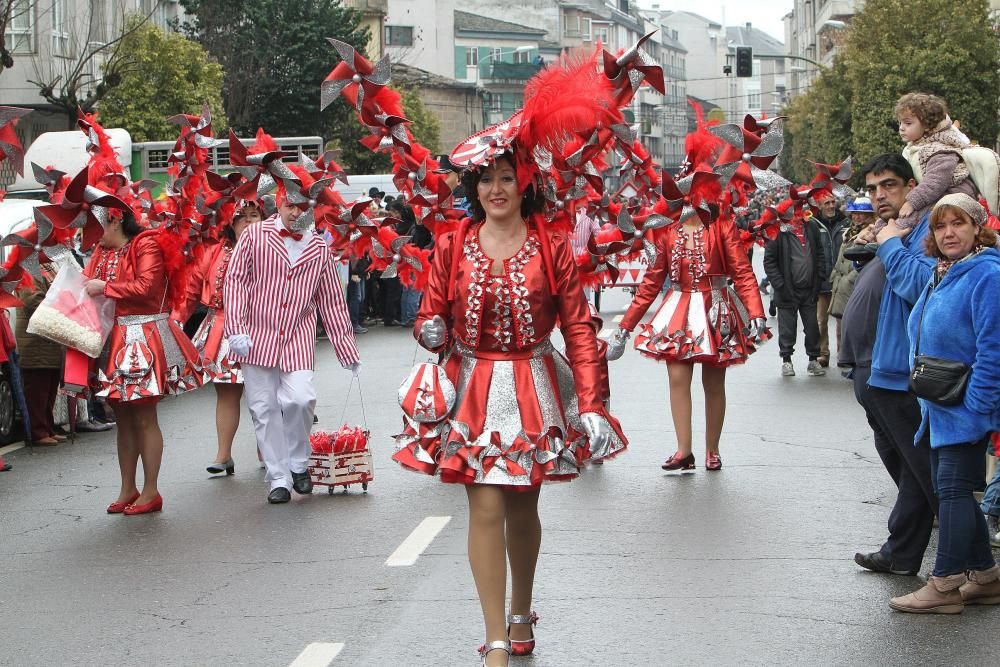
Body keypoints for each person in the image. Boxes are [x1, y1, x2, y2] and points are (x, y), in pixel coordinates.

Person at [392, 157, 625, 667]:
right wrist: (428, 329)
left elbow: (579, 327)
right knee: (485, 506)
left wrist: (592, 404)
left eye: (505, 179)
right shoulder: (453, 243)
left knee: (523, 507)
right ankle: (496, 638)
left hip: (534, 389)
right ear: (473, 188)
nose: (495, 190)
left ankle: (521, 612)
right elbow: (431, 312)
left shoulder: (552, 246)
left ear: (525, 187)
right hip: (471, 387)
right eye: (485, 180)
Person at [888, 194, 1000, 613]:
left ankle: (946, 584)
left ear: (977, 228)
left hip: (965, 404)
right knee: (947, 488)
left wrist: (979, 406)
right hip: (940, 402)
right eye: (940, 226)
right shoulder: (945, 272)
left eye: (958, 224)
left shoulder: (986, 274)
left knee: (952, 491)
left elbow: (993, 347)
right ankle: (986, 577)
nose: (949, 233)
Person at [224, 171, 360, 505]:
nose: (295, 212)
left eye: (302, 206)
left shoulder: (318, 247)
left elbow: (330, 300)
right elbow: (236, 282)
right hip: (257, 336)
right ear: (279, 202)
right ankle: (278, 478)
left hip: (297, 336)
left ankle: (299, 462)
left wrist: (346, 349)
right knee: (264, 409)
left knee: (300, 399)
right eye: (290, 205)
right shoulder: (254, 235)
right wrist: (236, 329)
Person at [607, 194, 767, 471]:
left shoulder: (722, 225)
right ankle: (684, 450)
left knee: (714, 384)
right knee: (678, 380)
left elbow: (742, 272)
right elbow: (652, 282)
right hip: (679, 309)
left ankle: (712, 450)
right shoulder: (667, 230)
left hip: (715, 309)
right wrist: (625, 327)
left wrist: (756, 312)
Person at [846, 153, 937, 578]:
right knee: (910, 470)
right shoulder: (888, 231)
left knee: (927, 474)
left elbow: (923, 282)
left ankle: (974, 562)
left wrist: (889, 243)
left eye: (889, 186)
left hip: (896, 372)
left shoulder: (921, 229)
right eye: (872, 188)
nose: (879, 195)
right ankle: (901, 552)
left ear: (912, 187)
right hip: (870, 370)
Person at [84, 212, 206, 515]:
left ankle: (151, 490)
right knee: (122, 416)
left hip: (144, 335)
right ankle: (128, 488)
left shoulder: (146, 244)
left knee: (144, 415)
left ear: (114, 221)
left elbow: (147, 288)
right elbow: (87, 284)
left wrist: (104, 287)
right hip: (114, 338)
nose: (91, 234)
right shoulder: (101, 251)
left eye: (95, 225)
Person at [173, 201, 263, 475]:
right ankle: (223, 454)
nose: (247, 222)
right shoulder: (213, 252)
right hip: (221, 330)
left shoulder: (273, 250)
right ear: (229, 222)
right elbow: (190, 290)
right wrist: (176, 318)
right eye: (241, 217)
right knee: (226, 392)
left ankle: (268, 450)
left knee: (265, 395)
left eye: (254, 215)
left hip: (263, 328)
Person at [762, 204, 828, 377]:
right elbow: (769, 262)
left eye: (799, 211)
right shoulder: (777, 231)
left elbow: (820, 252)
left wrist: (820, 275)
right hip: (787, 290)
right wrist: (780, 285)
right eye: (793, 212)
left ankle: (813, 359)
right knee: (787, 329)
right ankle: (786, 360)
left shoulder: (811, 226)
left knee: (812, 327)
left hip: (809, 288)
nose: (798, 215)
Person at [15, 263, 67, 445]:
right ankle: (38, 432)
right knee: (37, 388)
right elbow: (32, 301)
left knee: (49, 387)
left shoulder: (46, 267)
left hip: (49, 337)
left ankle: (48, 428)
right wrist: (60, 304)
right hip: (35, 338)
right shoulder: (26, 270)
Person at [829, 197, 875, 364]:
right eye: (855, 213)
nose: (857, 217)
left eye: (861, 213)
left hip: (856, 282)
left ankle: (855, 357)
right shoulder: (848, 231)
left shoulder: (872, 231)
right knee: (841, 322)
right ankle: (844, 355)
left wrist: (851, 277)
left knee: (856, 323)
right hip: (841, 283)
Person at [813, 192, 848, 367]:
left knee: (843, 319)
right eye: (826, 203)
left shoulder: (845, 223)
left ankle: (843, 353)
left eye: (833, 202)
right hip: (822, 280)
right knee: (821, 320)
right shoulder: (813, 224)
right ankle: (822, 353)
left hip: (841, 280)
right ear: (819, 206)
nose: (831, 206)